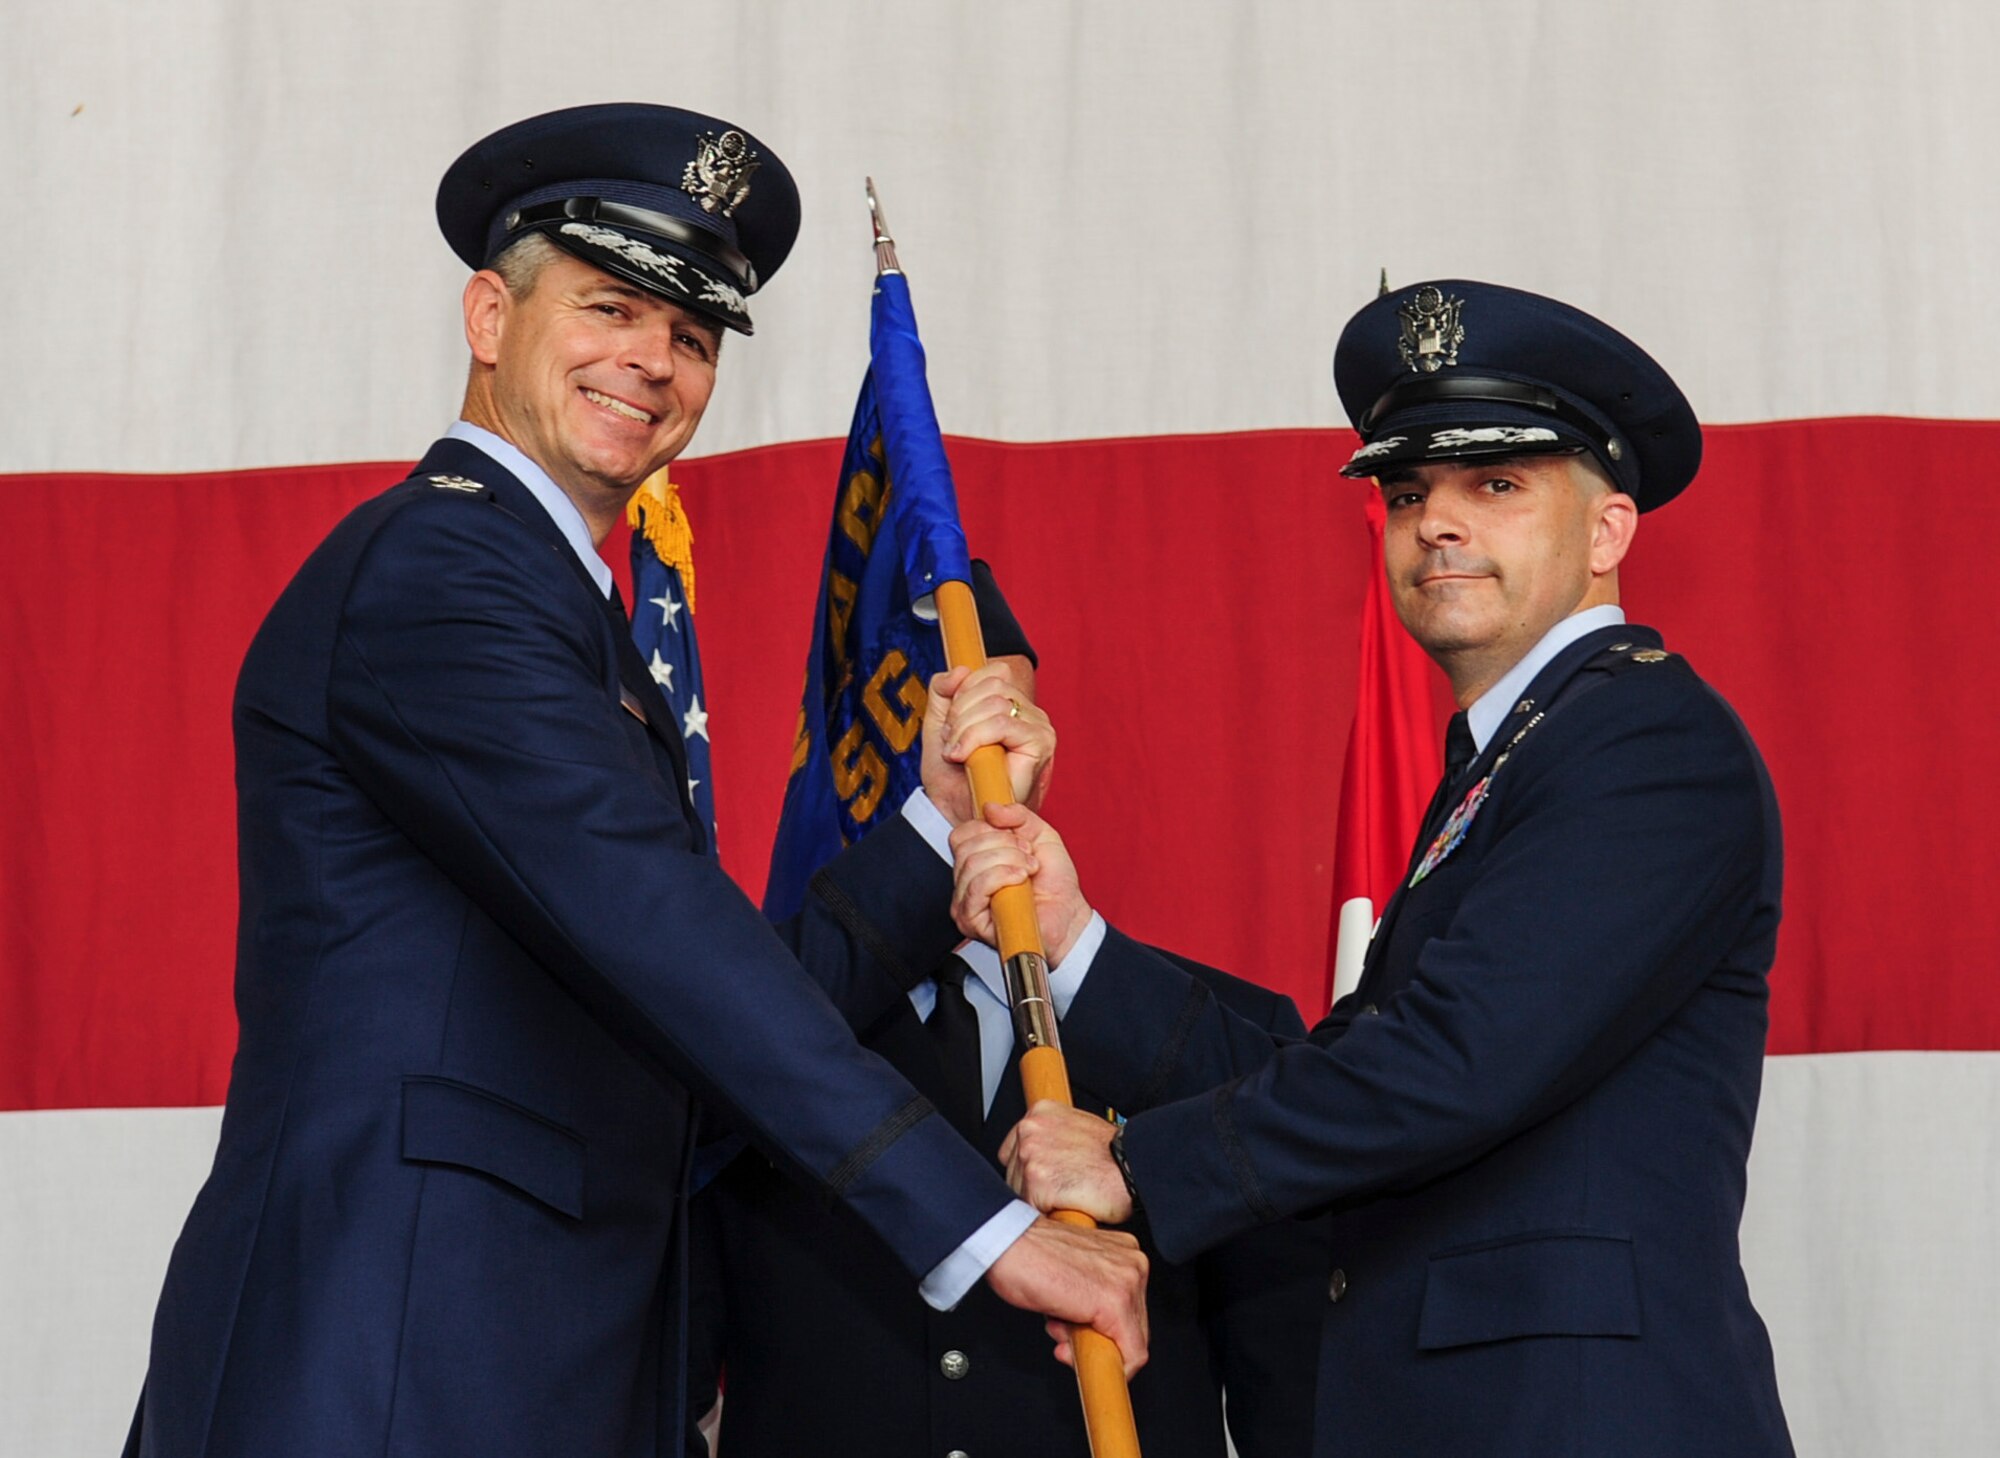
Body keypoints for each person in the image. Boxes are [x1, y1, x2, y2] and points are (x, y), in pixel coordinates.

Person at [122, 104, 1146, 1458]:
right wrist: (980, 1224)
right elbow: (663, 933)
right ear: (490, 317)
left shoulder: (558, 607)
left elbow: (677, 1004)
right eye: (610, 306)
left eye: (694, 333)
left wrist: (935, 821)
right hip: (392, 1370)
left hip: (535, 1372)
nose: (653, 361)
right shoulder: (441, 573)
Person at [953, 281, 1795, 1456]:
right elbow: (1359, 1059)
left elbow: (1458, 1059)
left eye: (1494, 487)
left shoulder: (1643, 741)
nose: (1436, 524)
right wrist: (1077, 938)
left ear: (1606, 532)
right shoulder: (1520, 752)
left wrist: (1139, 1160)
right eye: (1408, 494)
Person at [685, 565, 1327, 1458]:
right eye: (944, 741)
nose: (981, 766)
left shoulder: (1218, 1032)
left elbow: (1296, 1384)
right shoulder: (744, 1029)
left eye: (1007, 729)